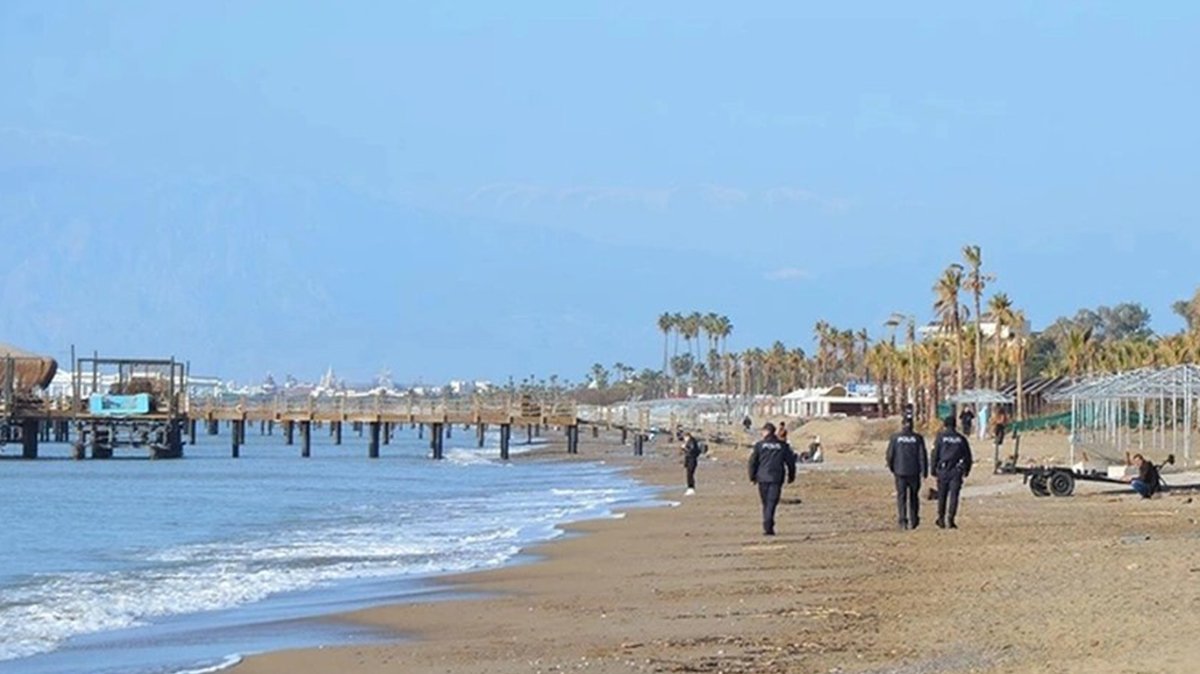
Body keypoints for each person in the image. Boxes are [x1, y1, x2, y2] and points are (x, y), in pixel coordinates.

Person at [748, 422, 797, 536]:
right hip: (776, 477)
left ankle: (767, 524)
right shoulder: (783, 446)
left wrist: (752, 476)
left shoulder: (760, 445)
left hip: (763, 477)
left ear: (766, 432)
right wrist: (791, 476)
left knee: (766, 502)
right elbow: (790, 462)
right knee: (771, 502)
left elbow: (752, 462)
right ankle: (768, 525)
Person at [886, 416, 928, 530]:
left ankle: (902, 520)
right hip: (914, 471)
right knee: (914, 497)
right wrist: (924, 471)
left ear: (902, 424)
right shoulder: (918, 438)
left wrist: (892, 468)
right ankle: (914, 520)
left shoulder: (895, 438)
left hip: (900, 471)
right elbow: (922, 456)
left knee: (901, 497)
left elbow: (890, 455)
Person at [931, 415, 972, 529]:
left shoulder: (940, 437)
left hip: (943, 470)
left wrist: (933, 469)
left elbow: (935, 454)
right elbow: (968, 456)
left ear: (945, 425)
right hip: (956, 470)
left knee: (942, 495)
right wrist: (966, 470)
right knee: (954, 496)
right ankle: (951, 519)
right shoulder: (961, 438)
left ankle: (941, 518)